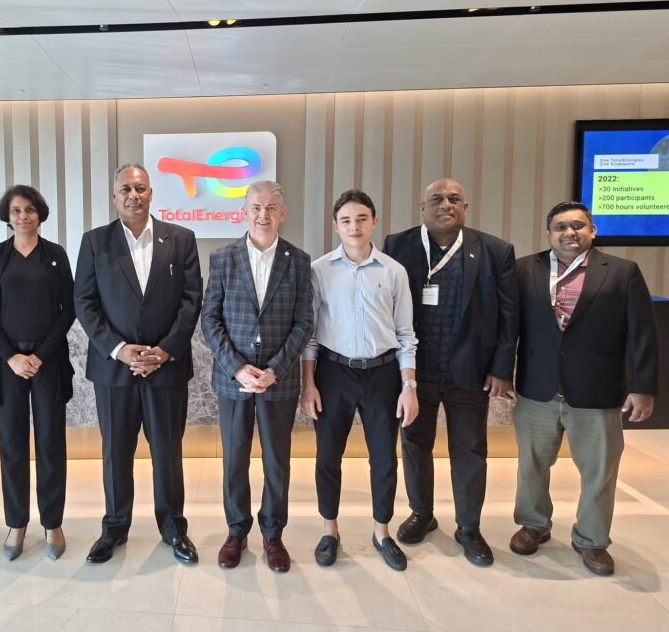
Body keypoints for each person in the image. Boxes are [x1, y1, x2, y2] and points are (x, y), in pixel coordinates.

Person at [511, 201, 658, 576]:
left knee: (599, 471)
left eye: (577, 225)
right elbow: (508, 327)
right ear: (548, 234)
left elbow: (642, 334)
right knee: (531, 465)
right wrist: (499, 372)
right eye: (560, 227)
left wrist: (643, 387)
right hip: (537, 388)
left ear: (592, 231)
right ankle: (533, 524)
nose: (569, 232)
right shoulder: (525, 269)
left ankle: (591, 539)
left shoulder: (622, 272)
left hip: (597, 389)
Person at [383, 178, 518, 566]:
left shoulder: (495, 251)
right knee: (414, 445)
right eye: (437, 199)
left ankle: (469, 528)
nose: (446, 204)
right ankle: (422, 513)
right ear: (422, 208)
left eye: (454, 199)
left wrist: (501, 369)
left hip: (469, 373)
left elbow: (509, 316)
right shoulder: (398, 245)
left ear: (465, 208)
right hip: (416, 372)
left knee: (470, 450)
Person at [74, 163, 202, 565]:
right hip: (114, 370)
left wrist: (165, 350)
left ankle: (174, 528)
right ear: (114, 196)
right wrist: (119, 349)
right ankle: (114, 528)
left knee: (168, 452)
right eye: (126, 189)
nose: (134, 195)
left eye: (141, 188)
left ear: (151, 194)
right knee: (116, 453)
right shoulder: (95, 242)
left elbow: (191, 301)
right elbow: (85, 302)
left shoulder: (180, 239)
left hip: (167, 368)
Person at [301, 190, 419, 571]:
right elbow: (310, 336)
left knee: (384, 458)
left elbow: (406, 335)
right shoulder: (319, 270)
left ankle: (381, 531)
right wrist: (309, 384)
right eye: (347, 220)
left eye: (362, 218)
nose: (355, 226)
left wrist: (409, 387)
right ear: (336, 226)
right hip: (333, 373)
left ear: (374, 222)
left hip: (383, 374)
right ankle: (329, 530)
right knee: (327, 456)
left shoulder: (393, 271)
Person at [201, 180, 313, 573]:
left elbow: (304, 322)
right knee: (234, 459)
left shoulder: (299, 261)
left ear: (282, 213)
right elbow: (210, 319)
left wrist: (275, 369)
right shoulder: (222, 258)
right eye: (256, 208)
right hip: (233, 380)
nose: (263, 215)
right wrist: (236, 367)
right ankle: (236, 532)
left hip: (278, 381)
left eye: (271, 208)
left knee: (277, 461)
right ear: (244, 213)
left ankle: (273, 534)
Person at [0, 185, 75, 562]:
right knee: (12, 445)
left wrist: (38, 355)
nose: (23, 216)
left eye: (30, 209)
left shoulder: (55, 254)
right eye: (16, 210)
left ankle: (52, 522)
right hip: (8, 365)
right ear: (7, 216)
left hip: (48, 363)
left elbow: (68, 309)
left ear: (40, 214)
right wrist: (12, 357)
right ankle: (16, 523)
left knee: (50, 443)